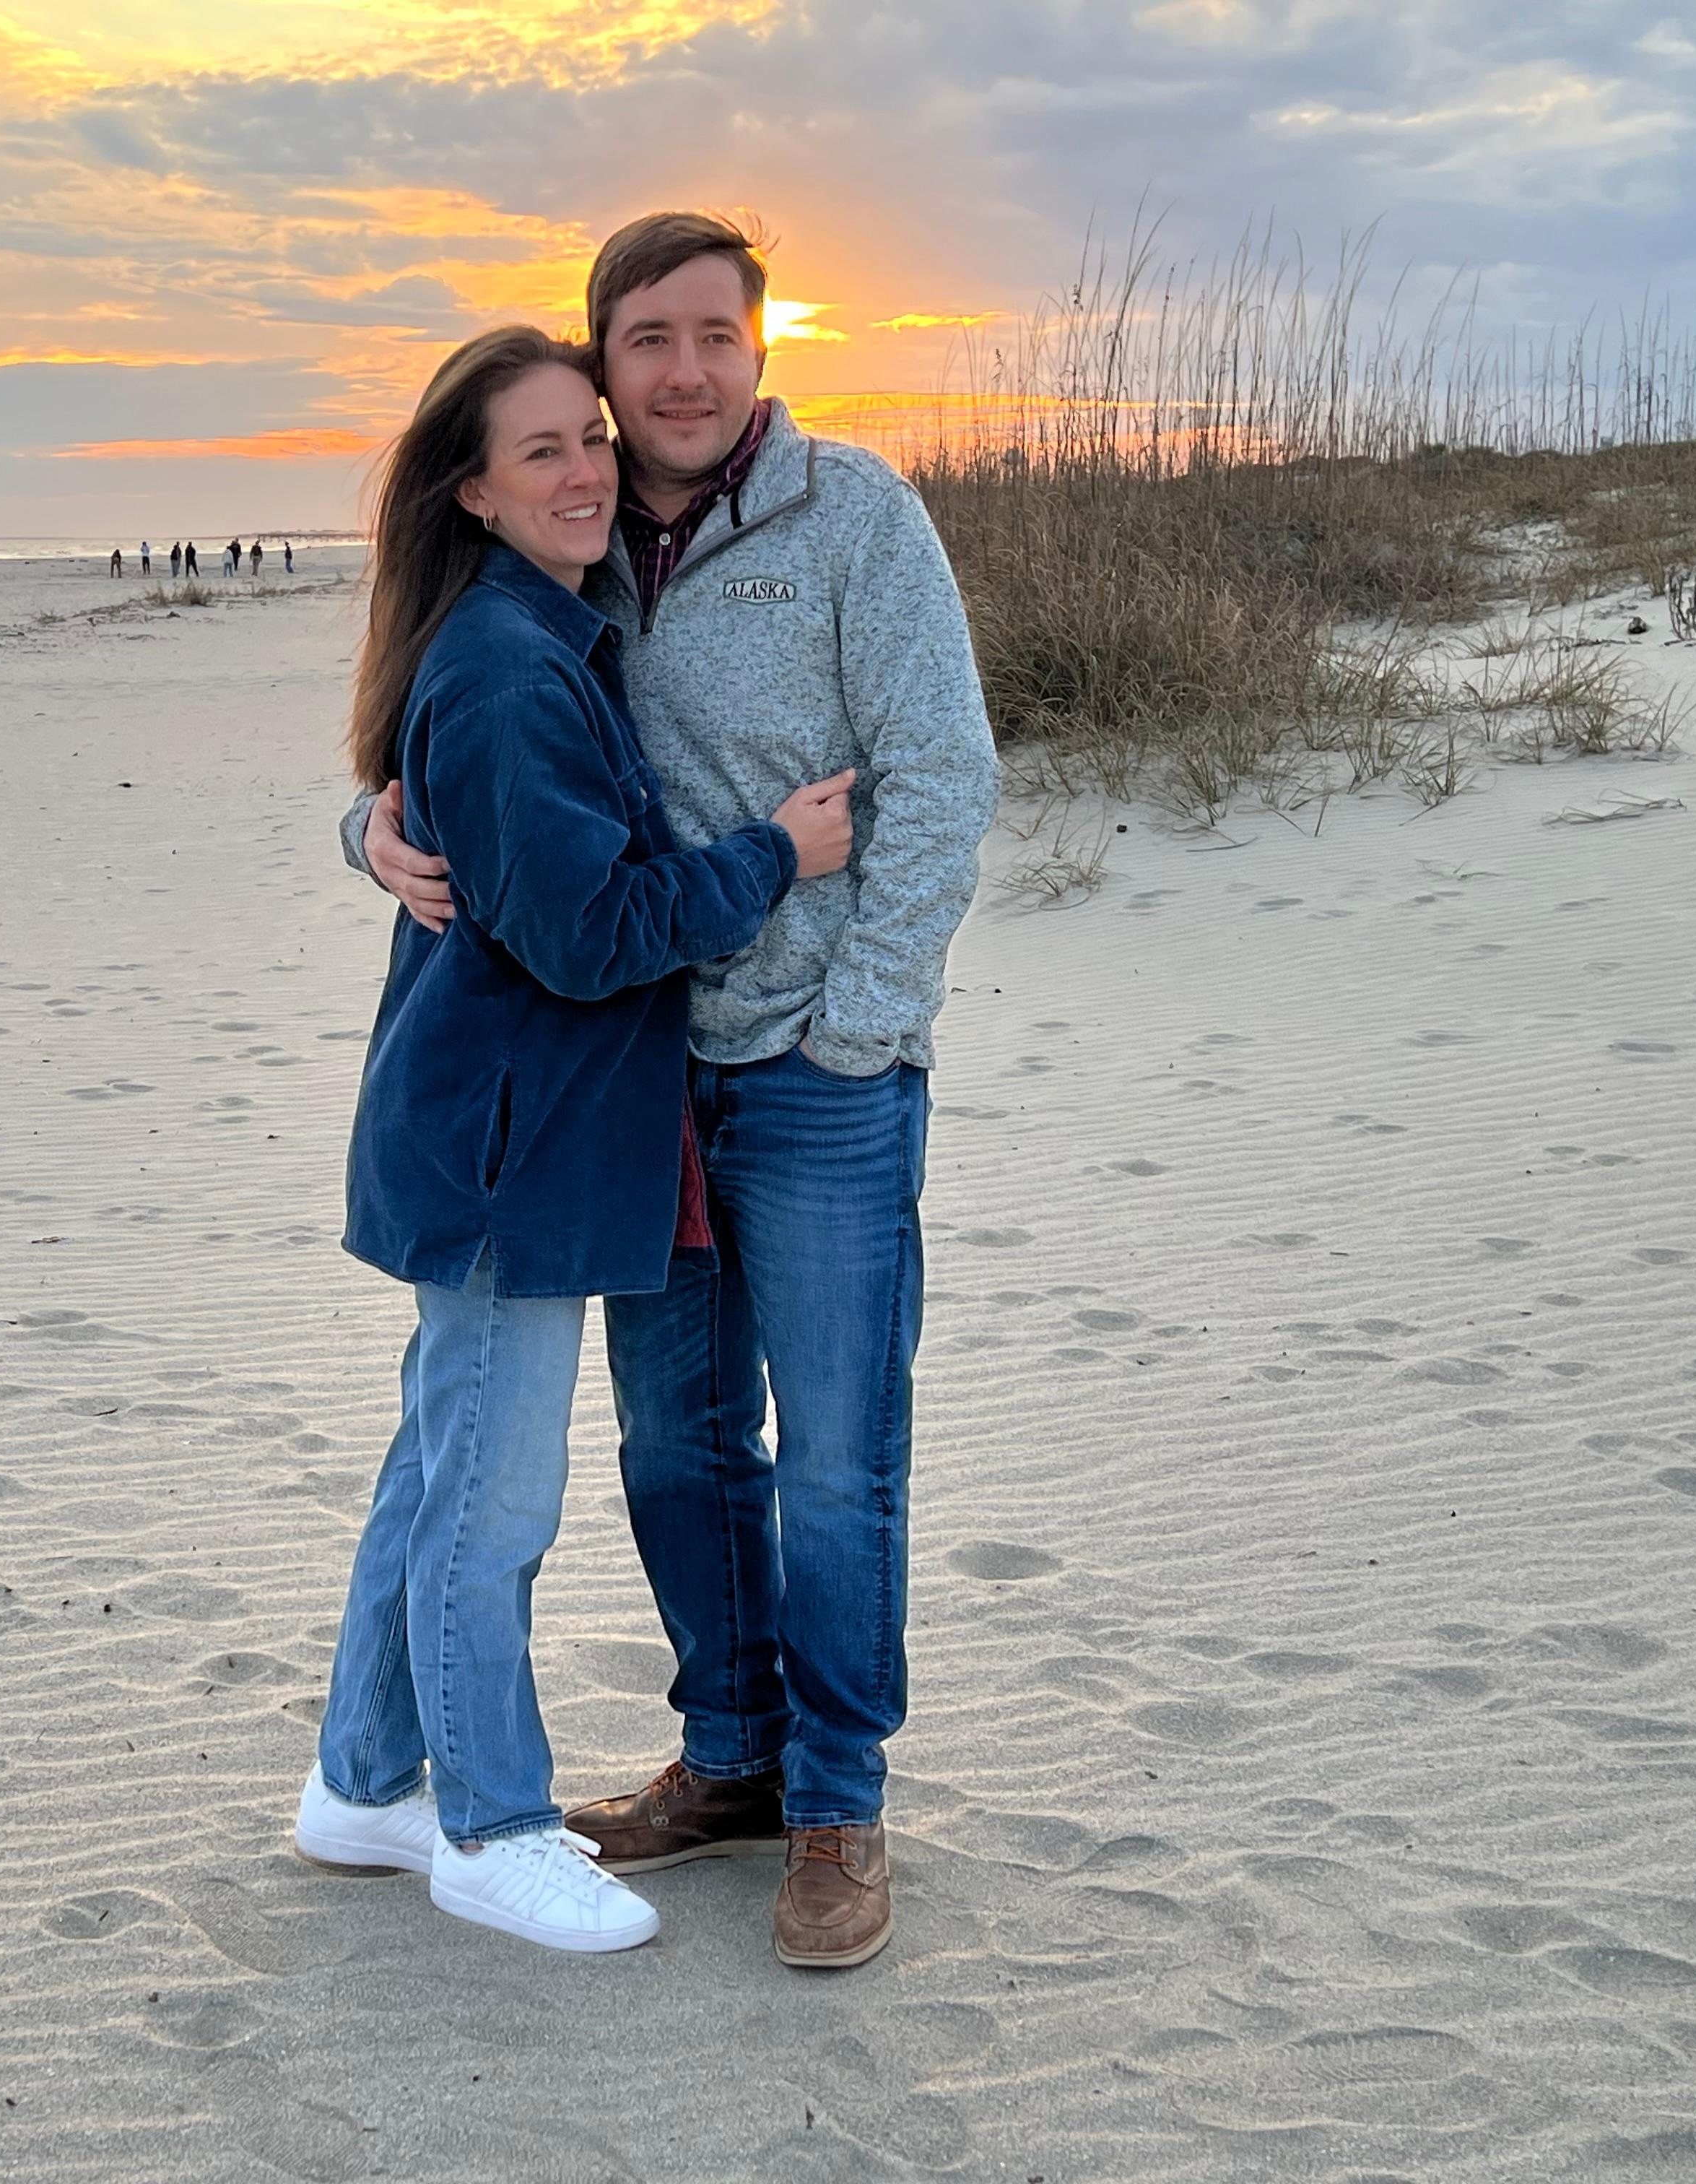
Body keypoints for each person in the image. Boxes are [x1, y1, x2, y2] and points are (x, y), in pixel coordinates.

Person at [343, 212, 994, 1971]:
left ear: (763, 349)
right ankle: (731, 1762)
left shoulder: (856, 515)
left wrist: (859, 1025)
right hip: (635, 1081)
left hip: (813, 1076)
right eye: (648, 340)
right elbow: (464, 741)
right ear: (606, 362)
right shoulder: (575, 534)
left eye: (716, 333)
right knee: (678, 1448)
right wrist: (367, 832)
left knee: (841, 1455)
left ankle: (840, 1804)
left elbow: (943, 779)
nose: (683, 369)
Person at [296, 323, 856, 1956]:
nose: (586, 469)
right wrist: (773, 855)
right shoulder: (502, 664)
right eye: (538, 449)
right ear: (469, 490)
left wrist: (368, 826)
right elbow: (587, 934)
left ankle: (361, 1782)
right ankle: (489, 1825)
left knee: (437, 1473)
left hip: (498, 1134)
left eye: (589, 439)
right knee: (490, 1508)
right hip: (505, 1155)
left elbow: (498, 862)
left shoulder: (542, 635)